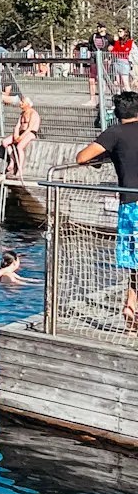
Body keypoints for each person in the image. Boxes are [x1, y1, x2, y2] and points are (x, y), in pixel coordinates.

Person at [76, 91, 138, 329]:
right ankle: (130, 305)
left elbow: (82, 157)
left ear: (116, 113)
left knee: (133, 258)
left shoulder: (114, 133)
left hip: (131, 203)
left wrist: (109, 152)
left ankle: (130, 306)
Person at [5, 96, 41, 179]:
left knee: (19, 147)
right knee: (5, 142)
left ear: (27, 104)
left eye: (22, 102)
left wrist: (21, 137)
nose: (20, 104)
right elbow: (17, 126)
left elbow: (30, 128)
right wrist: (16, 135)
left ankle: (20, 168)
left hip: (30, 133)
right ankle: (12, 160)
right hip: (20, 132)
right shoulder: (22, 114)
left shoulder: (33, 113)